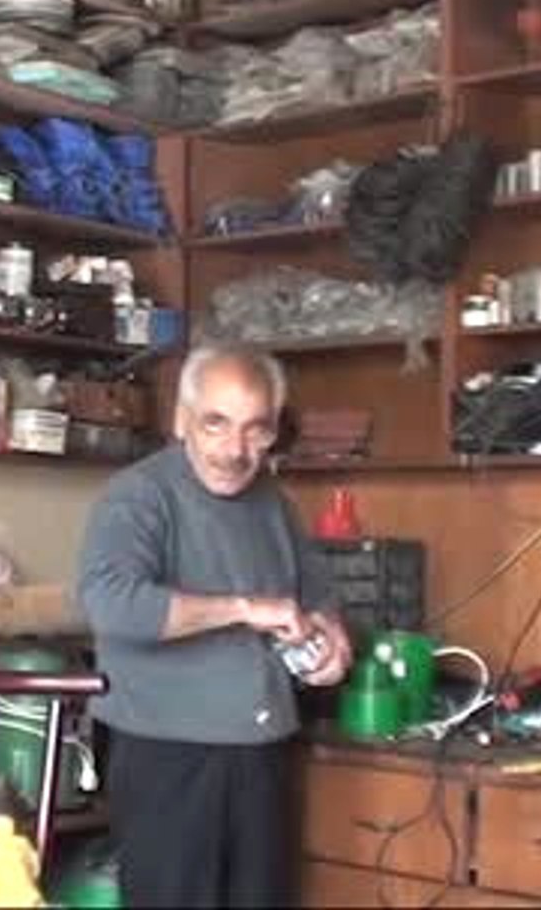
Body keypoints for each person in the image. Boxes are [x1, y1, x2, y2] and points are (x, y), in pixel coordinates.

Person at [78, 344, 353, 907]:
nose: (235, 450)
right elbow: (111, 604)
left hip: (262, 756)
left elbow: (317, 597)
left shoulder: (273, 503)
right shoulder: (140, 495)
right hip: (171, 760)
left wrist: (332, 639)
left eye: (256, 430)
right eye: (216, 424)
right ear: (182, 420)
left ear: (274, 431)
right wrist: (243, 609)